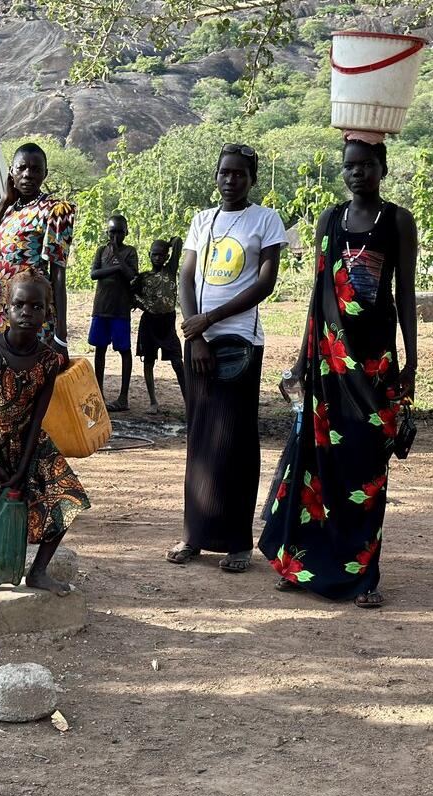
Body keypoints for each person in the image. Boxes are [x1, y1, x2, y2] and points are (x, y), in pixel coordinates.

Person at [257, 136, 418, 607]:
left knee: (366, 466)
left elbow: (403, 292)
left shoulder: (397, 221)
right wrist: (301, 360)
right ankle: (300, 564)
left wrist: (412, 359)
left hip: (374, 364)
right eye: (349, 166)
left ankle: (363, 577)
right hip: (327, 364)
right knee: (317, 465)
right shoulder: (330, 219)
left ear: (382, 168)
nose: (356, 173)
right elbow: (316, 296)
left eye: (366, 165)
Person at [165, 144, 287, 574]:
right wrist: (194, 332)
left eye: (239, 174)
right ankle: (193, 535)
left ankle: (237, 542)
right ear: (215, 177)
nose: (230, 180)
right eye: (223, 173)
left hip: (239, 343)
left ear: (251, 179)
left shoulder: (266, 220)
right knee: (200, 439)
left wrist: (211, 319)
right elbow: (185, 276)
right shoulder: (203, 220)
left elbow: (265, 284)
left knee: (234, 440)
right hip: (199, 344)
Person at [0, 272, 91, 598]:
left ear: (46, 313)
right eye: (19, 304)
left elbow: (38, 417)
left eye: (36, 306)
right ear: (6, 308)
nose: (27, 312)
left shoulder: (48, 361)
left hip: (26, 439)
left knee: (69, 495)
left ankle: (38, 571)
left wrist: (24, 467)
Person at [0, 142, 75, 352]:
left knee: (28, 377)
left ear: (45, 174)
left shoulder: (56, 210)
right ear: (11, 172)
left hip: (28, 313)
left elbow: (58, 274)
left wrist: (61, 335)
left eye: (36, 169)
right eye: (21, 168)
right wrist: (3, 202)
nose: (28, 174)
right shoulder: (8, 210)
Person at [88, 214, 138, 410]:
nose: (115, 236)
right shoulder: (101, 250)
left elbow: (132, 276)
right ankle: (99, 392)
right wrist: (115, 269)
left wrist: (117, 258)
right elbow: (94, 274)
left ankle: (123, 397)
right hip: (101, 307)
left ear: (126, 232)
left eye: (119, 231)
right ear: (106, 233)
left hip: (120, 310)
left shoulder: (130, 252)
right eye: (112, 232)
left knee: (124, 350)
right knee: (100, 350)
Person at [133, 236, 187, 413]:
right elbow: (130, 295)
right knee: (149, 361)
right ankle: (153, 402)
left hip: (167, 322)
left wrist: (169, 244)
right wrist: (142, 304)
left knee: (178, 362)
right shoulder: (144, 277)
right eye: (154, 254)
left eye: (162, 255)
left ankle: (189, 402)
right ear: (149, 255)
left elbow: (178, 242)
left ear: (166, 257)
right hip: (149, 322)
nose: (158, 258)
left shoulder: (170, 270)